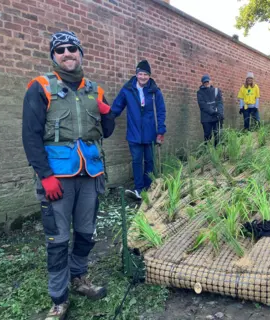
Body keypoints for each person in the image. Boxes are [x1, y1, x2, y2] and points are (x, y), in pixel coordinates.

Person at [22, 31, 115, 320]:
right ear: (53, 56)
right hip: (57, 179)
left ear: (80, 52)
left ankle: (79, 278)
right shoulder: (40, 87)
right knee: (58, 239)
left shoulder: (94, 89)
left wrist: (106, 111)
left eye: (71, 48)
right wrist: (45, 175)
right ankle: (59, 298)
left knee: (86, 233)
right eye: (59, 50)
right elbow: (30, 136)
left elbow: (107, 130)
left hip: (90, 174)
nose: (66, 53)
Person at [112, 60, 166, 200]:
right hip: (134, 134)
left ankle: (148, 188)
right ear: (136, 74)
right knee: (136, 161)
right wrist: (107, 117)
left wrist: (160, 131)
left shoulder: (155, 91)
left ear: (149, 76)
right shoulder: (127, 89)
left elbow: (161, 111)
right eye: (140, 74)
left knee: (149, 161)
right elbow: (117, 106)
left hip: (150, 133)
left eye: (146, 74)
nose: (143, 77)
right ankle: (139, 189)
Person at [197, 74, 224, 146]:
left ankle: (217, 151)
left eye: (207, 82)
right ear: (202, 83)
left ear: (210, 81)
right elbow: (202, 105)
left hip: (216, 117)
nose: (206, 83)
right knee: (207, 136)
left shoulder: (216, 91)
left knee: (218, 135)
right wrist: (213, 112)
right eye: (204, 82)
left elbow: (220, 103)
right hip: (206, 118)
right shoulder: (200, 93)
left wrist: (220, 113)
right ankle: (207, 152)